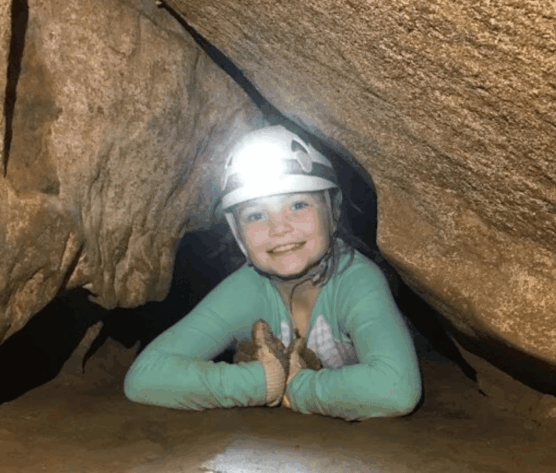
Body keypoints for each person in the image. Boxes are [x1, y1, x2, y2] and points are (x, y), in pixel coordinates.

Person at [124, 125, 421, 421]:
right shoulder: (247, 290)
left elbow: (396, 389)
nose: (279, 228)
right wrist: (261, 381)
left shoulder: (356, 280)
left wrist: (299, 388)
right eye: (256, 215)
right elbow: (145, 376)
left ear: (333, 212)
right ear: (239, 235)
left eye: (298, 204)